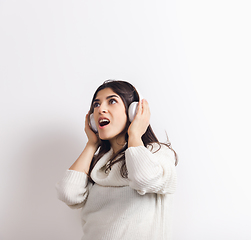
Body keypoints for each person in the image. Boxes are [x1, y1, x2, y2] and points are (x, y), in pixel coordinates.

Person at [55, 80, 178, 240]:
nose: (101, 109)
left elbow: (144, 178)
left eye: (112, 101)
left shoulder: (157, 154)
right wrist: (91, 144)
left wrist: (135, 135)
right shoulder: (98, 164)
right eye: (96, 105)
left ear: (133, 111)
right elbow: (68, 194)